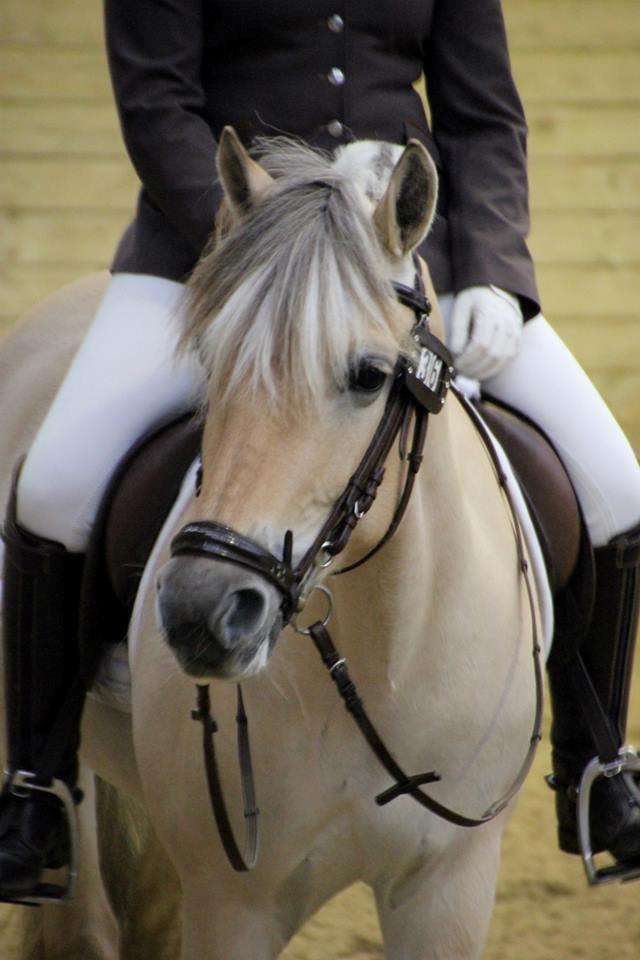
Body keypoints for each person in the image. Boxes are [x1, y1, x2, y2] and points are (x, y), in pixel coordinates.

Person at [1, 0, 639, 900]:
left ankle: (596, 765)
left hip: (405, 260)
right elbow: (156, 104)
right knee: (57, 486)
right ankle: (41, 786)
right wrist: (259, 241)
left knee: (616, 484)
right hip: (219, 251)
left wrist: (495, 265)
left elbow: (485, 113)